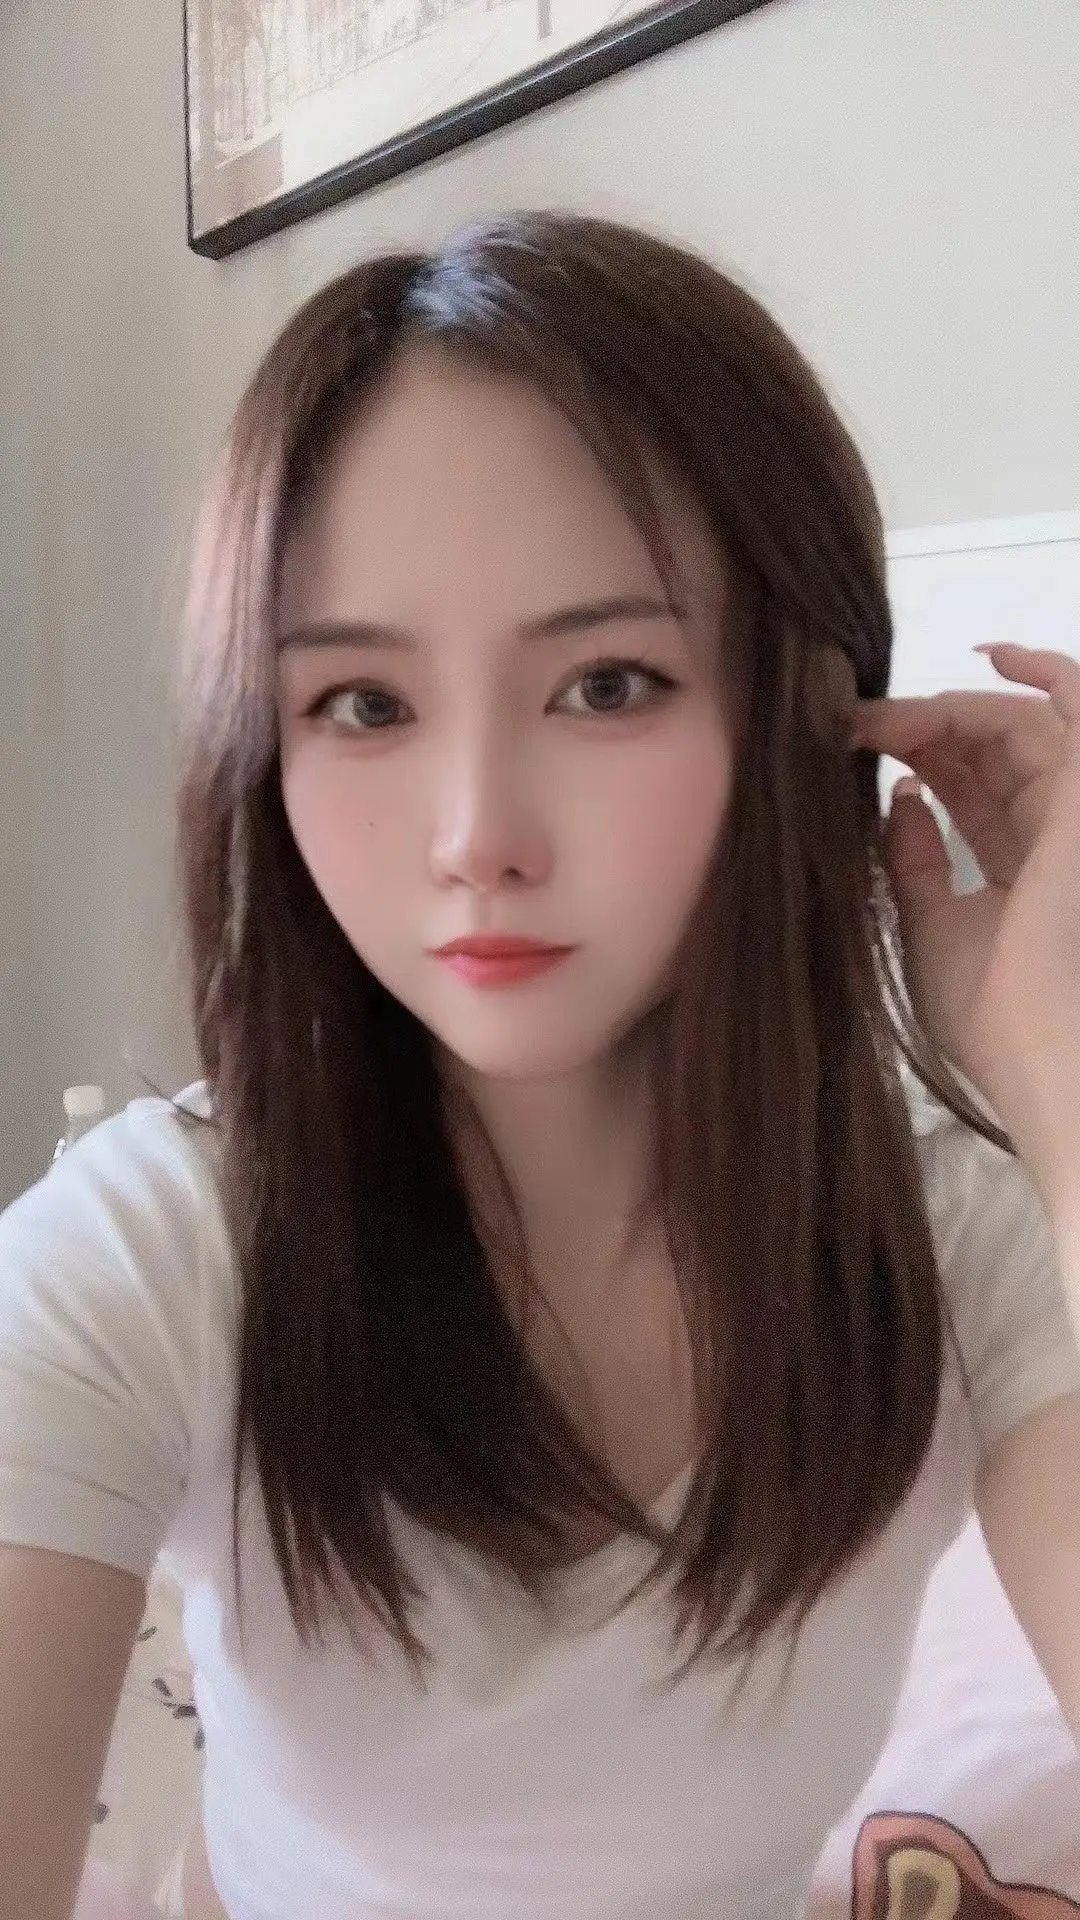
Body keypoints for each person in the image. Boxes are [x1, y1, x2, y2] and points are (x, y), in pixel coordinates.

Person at [1, 209, 1079, 1920]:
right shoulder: (143, 1258)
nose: (475, 835)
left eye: (607, 683)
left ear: (811, 714)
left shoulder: (963, 1252)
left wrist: (1065, 1079)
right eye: (364, 705)